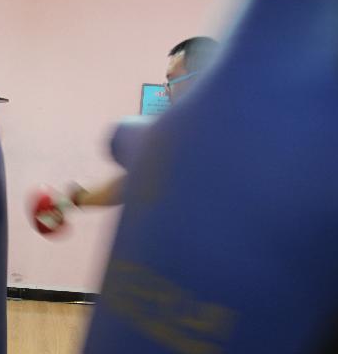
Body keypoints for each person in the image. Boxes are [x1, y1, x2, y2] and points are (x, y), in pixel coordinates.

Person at [32, 37, 219, 233]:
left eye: (171, 81)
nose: (167, 91)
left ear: (200, 79)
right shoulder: (187, 138)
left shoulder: (214, 136)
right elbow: (135, 180)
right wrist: (74, 199)